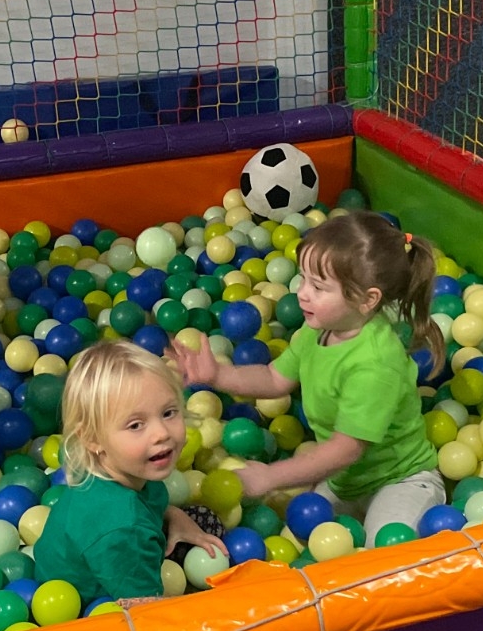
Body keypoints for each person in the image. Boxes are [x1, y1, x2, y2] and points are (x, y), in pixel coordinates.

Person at [169, 211, 445, 543]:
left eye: (318, 286)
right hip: (345, 481)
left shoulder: (375, 363)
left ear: (366, 299)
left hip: (401, 481)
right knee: (304, 539)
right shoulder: (319, 330)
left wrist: (272, 476)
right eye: (303, 279)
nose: (302, 293)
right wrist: (218, 375)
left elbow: (345, 450)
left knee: (385, 549)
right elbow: (274, 379)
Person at [35, 341, 227, 603]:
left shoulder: (125, 469)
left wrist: (174, 515)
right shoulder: (124, 528)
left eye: (168, 412)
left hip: (116, 556)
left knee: (206, 521)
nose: (161, 433)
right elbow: (145, 611)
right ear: (93, 439)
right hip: (94, 609)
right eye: (136, 425)